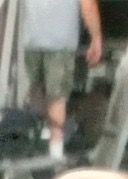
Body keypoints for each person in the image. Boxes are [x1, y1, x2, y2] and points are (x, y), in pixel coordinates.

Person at [23, 0, 105, 157]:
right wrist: (96, 38)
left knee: (37, 92)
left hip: (31, 39)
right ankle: (55, 153)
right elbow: (88, 5)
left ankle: (33, 146)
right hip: (59, 42)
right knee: (57, 98)